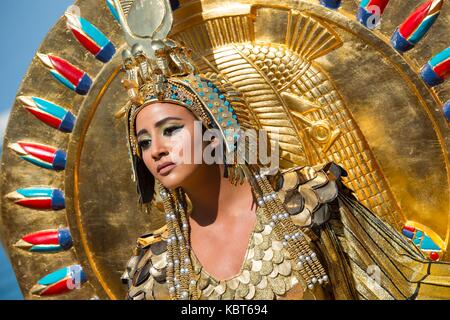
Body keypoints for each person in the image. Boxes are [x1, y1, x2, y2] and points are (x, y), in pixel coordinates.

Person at [116, 1, 450, 300]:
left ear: (214, 131)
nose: (156, 150)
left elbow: (404, 286)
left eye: (170, 130)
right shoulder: (155, 267)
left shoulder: (309, 202)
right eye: (143, 142)